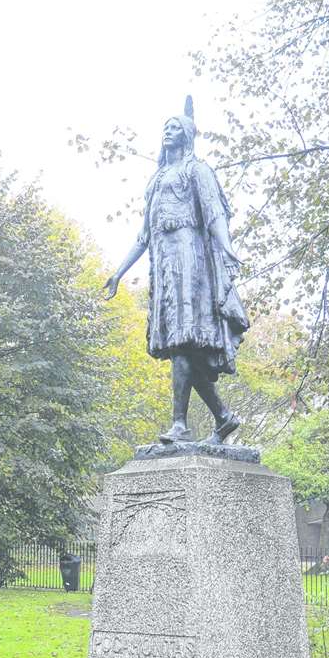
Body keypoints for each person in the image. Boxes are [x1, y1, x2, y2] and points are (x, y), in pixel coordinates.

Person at [105, 96, 250, 445]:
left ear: (187, 134)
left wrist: (227, 249)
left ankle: (180, 425)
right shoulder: (156, 181)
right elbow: (144, 235)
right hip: (166, 269)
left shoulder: (197, 171)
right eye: (165, 127)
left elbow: (214, 214)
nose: (168, 131)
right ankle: (224, 418)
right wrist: (119, 272)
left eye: (175, 127)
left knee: (184, 345)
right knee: (181, 349)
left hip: (191, 264)